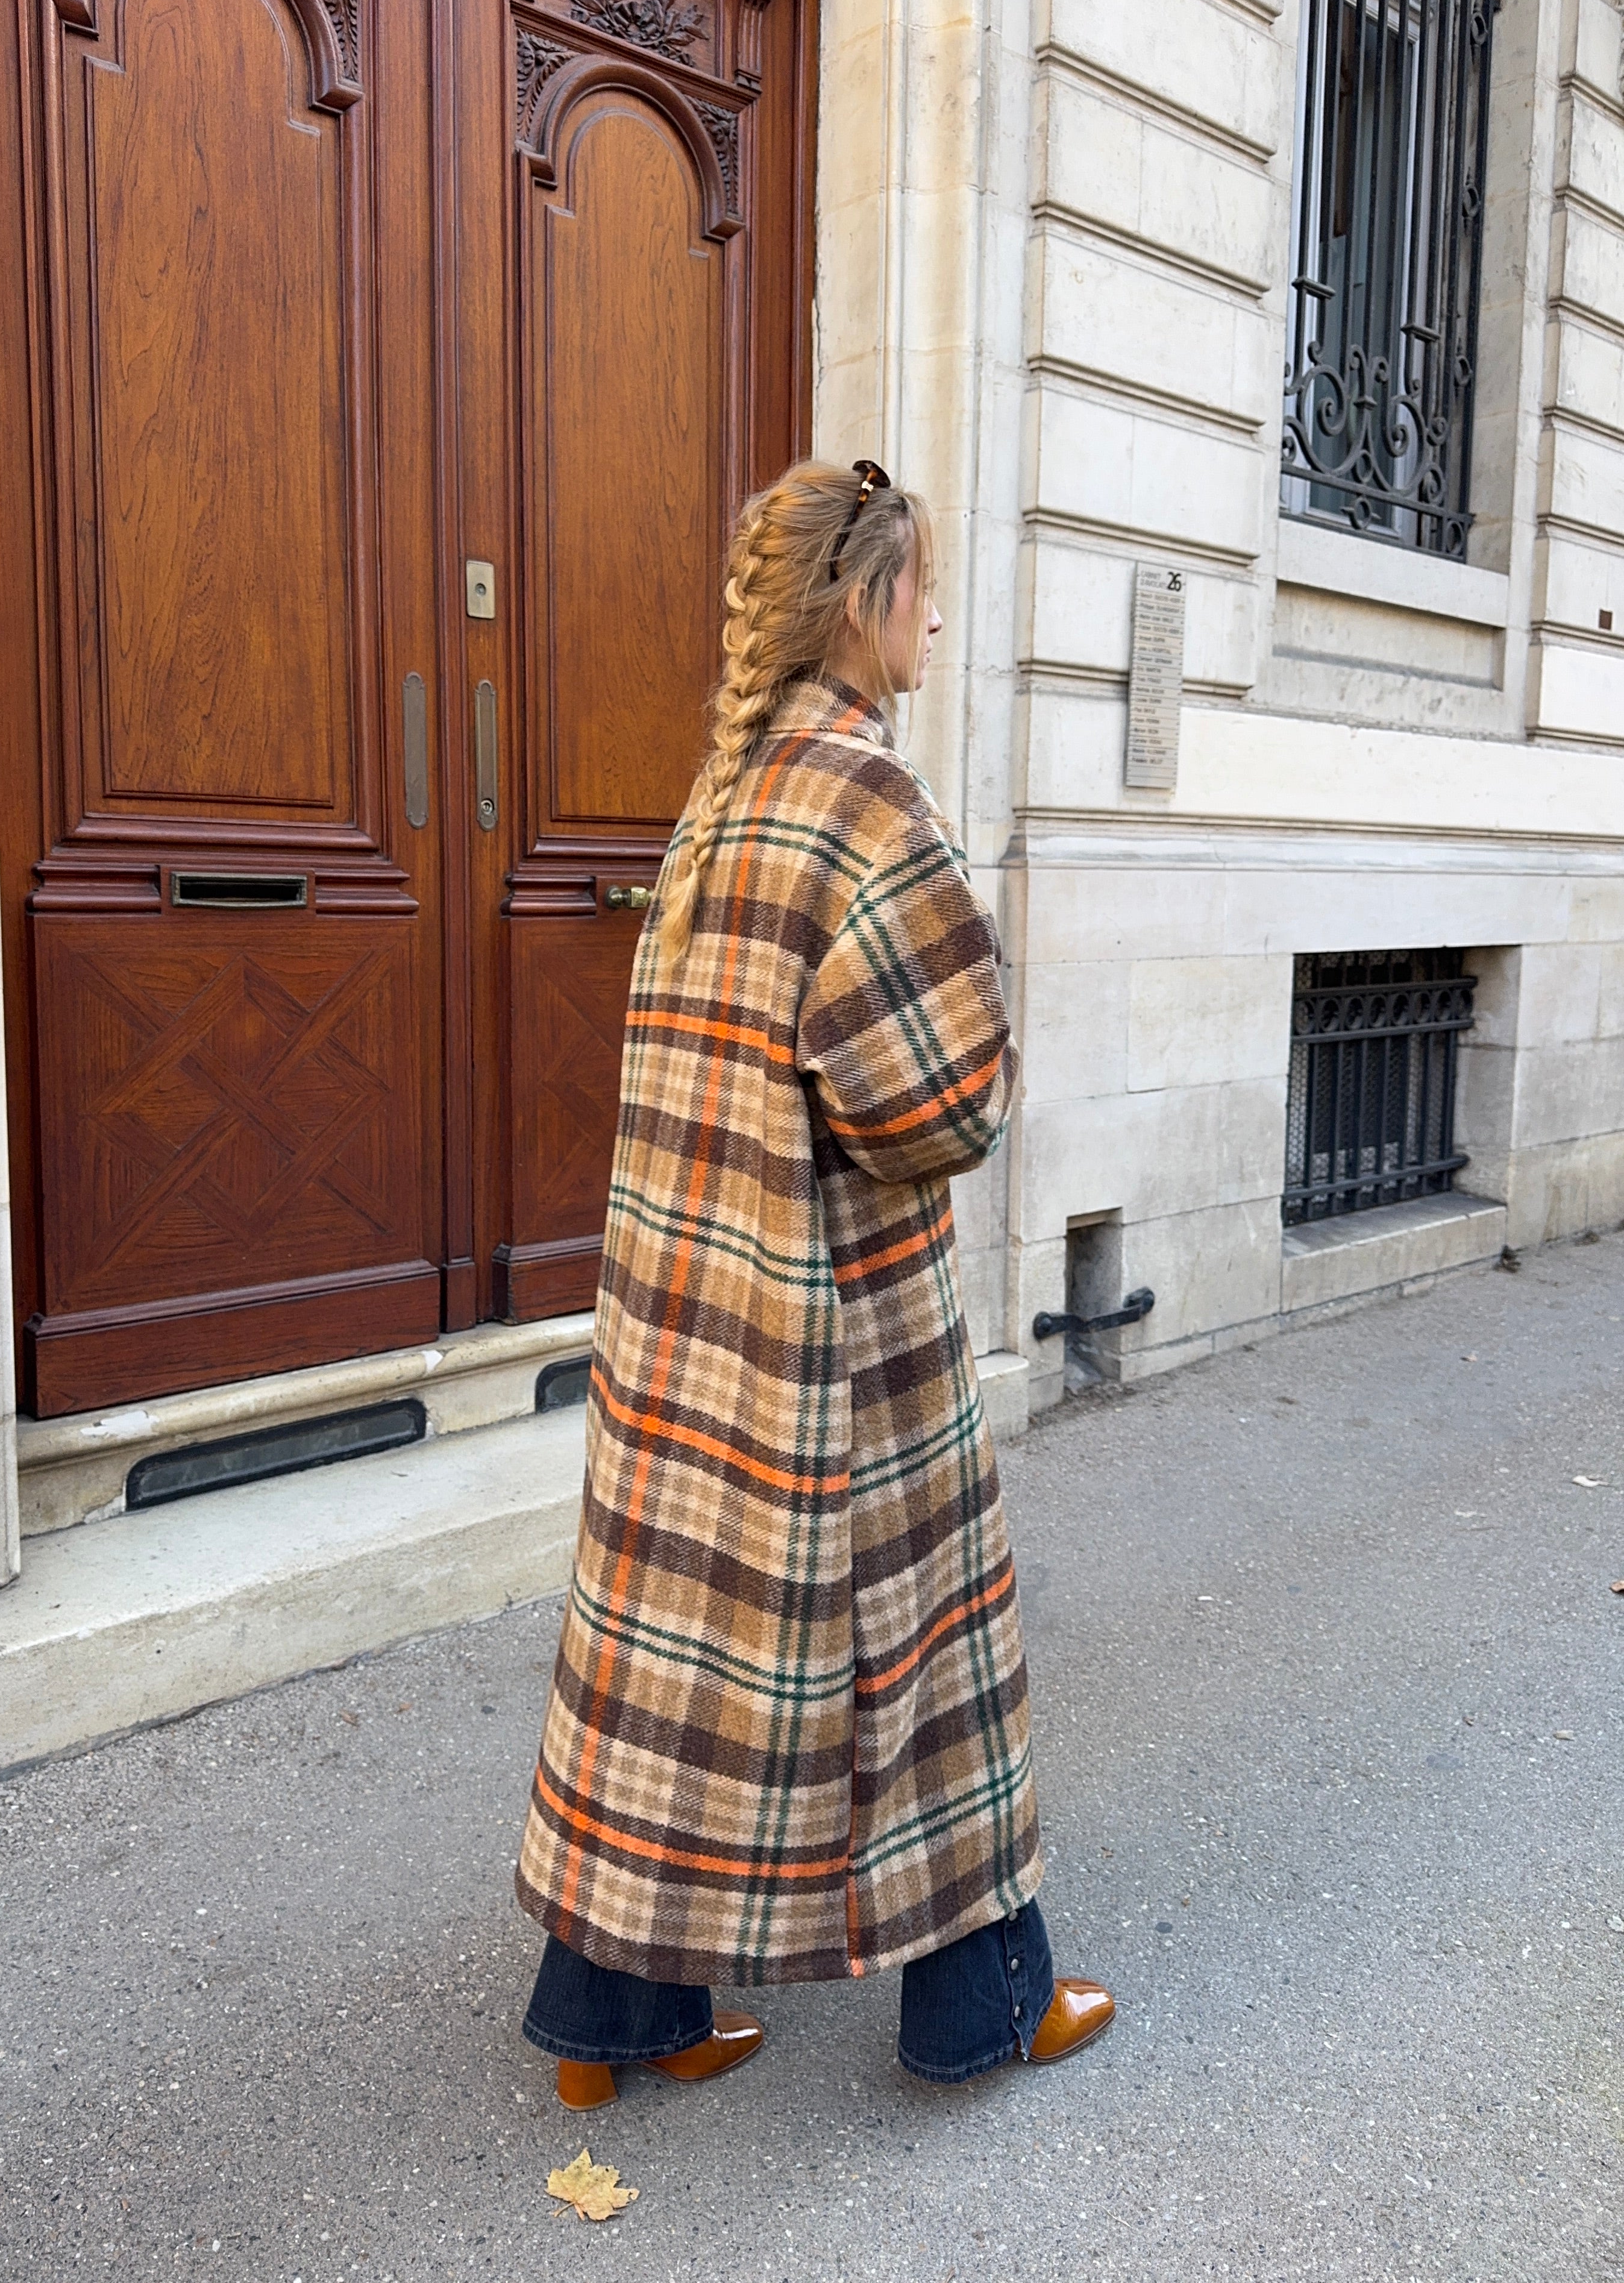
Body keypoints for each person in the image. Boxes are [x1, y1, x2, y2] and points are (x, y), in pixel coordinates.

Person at [513, 458, 1115, 2106]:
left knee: (662, 1651)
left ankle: (615, 2022)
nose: (936, 614)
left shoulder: (724, 795)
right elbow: (945, 1106)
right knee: (925, 1659)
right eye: (920, 586)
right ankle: (981, 2005)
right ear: (862, 604)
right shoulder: (866, 805)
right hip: (840, 1325)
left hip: (691, 1311)